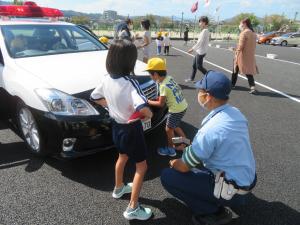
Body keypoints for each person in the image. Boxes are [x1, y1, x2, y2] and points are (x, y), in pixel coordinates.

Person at [161, 71, 256, 225]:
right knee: (197, 161)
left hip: (233, 189)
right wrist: (193, 148)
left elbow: (184, 167)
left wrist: (174, 163)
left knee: (168, 176)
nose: (198, 93)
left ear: (208, 96)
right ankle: (231, 196)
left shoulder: (210, 130)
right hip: (249, 179)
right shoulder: (236, 113)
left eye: (200, 90)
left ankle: (212, 212)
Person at [90, 40, 153, 221]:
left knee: (122, 157)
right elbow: (143, 108)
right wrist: (148, 115)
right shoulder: (130, 82)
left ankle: (118, 188)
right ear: (129, 61)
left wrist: (110, 104)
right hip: (131, 129)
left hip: (116, 127)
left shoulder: (105, 78)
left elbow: (94, 96)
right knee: (142, 166)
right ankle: (133, 207)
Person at [146, 58, 188, 157]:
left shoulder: (163, 86)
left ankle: (171, 149)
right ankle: (186, 143)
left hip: (175, 110)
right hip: (183, 105)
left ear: (155, 74)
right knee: (175, 126)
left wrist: (147, 101)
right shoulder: (169, 78)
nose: (149, 76)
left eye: (150, 74)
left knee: (168, 129)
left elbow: (161, 104)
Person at [232, 18, 258, 94]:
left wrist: (235, 49)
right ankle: (252, 87)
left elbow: (240, 46)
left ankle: (232, 84)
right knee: (248, 71)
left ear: (244, 24)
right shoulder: (253, 33)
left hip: (241, 55)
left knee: (235, 69)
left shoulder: (243, 33)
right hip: (250, 55)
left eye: (241, 24)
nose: (240, 25)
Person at [185, 16, 210, 83]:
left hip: (201, 52)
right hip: (200, 51)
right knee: (194, 65)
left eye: (200, 22)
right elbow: (200, 41)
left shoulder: (205, 31)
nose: (199, 23)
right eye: (199, 22)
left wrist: (192, 49)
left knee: (199, 66)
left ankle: (210, 76)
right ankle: (191, 78)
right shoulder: (204, 31)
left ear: (204, 23)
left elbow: (200, 42)